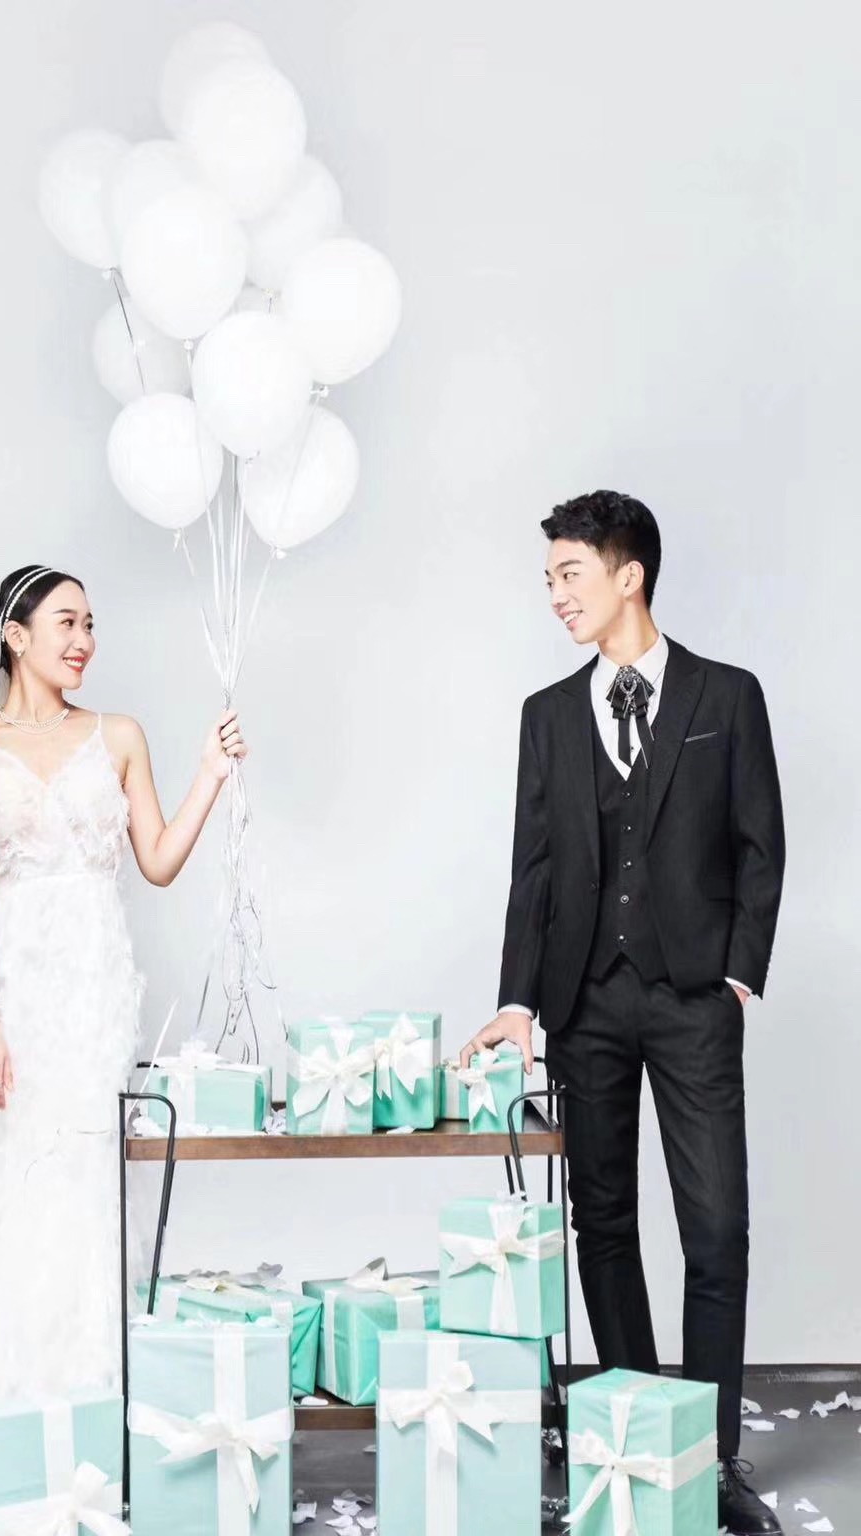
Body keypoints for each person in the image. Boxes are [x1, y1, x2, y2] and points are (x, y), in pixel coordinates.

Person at [0, 564, 247, 1472]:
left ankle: (83, 1396)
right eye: (66, 623)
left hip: (95, 990)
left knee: (80, 1178)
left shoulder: (119, 736)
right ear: (16, 636)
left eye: (91, 624)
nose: (84, 641)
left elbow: (158, 861)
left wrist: (210, 775)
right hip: (15, 991)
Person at [461, 493, 785, 1536]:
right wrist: (518, 1002)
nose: (555, 595)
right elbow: (535, 868)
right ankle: (641, 1438)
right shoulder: (547, 715)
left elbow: (760, 845)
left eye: (569, 574)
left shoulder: (727, 696)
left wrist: (738, 975)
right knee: (602, 1223)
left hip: (693, 1001)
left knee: (716, 1231)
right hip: (585, 1000)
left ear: (628, 574)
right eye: (549, 578)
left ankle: (713, 1459)